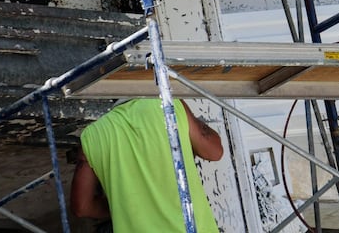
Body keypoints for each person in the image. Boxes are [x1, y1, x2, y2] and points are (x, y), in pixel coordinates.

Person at [70, 98, 224, 231]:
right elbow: (214, 151)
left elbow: (81, 207)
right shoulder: (167, 106)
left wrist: (122, 208)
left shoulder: (93, 135)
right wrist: (190, 118)